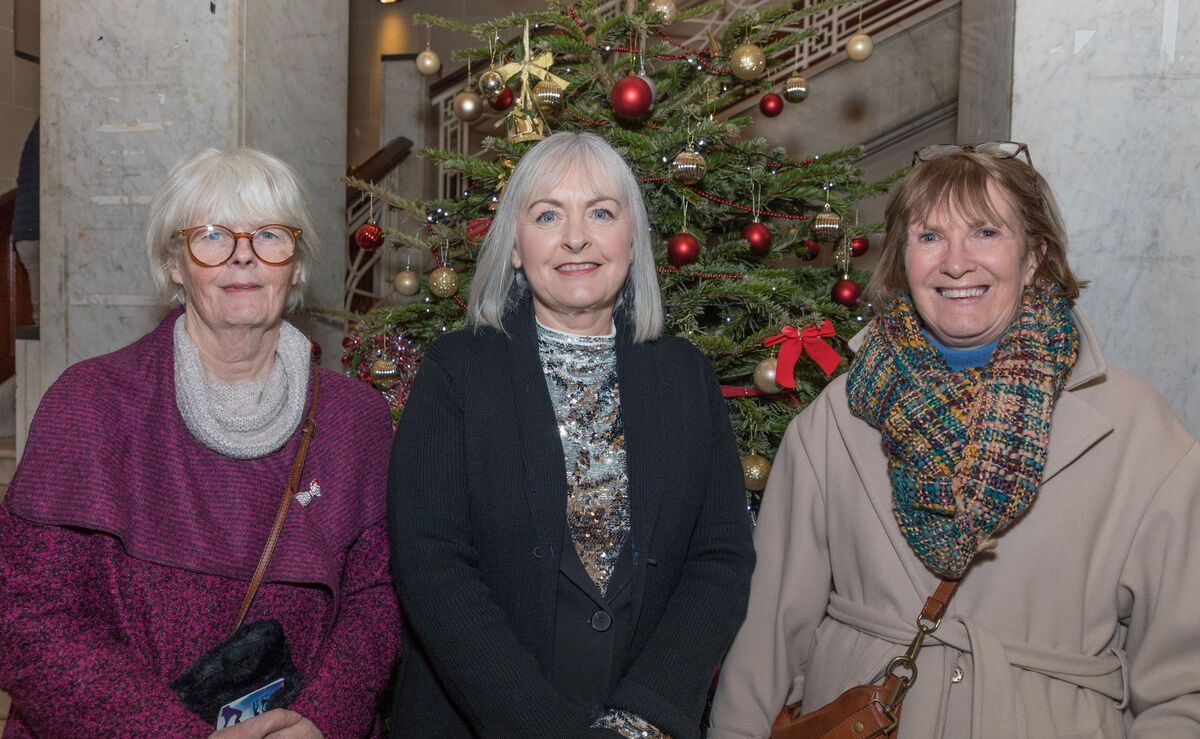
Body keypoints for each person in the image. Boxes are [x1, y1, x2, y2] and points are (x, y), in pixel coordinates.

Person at [708, 142, 1200, 737]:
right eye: (929, 236)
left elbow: (1181, 687)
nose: (956, 263)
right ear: (903, 257)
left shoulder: (1136, 428)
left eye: (986, 233)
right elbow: (767, 637)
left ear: (1036, 256)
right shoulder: (835, 418)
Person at [0, 148, 400, 737]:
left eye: (269, 235)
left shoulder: (355, 418)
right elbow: (30, 618)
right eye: (212, 236)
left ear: (296, 264)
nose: (244, 255)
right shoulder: (90, 403)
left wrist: (319, 720)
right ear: (173, 264)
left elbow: (377, 598)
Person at [387, 131, 755, 738]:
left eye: (602, 213)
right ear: (514, 247)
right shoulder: (455, 371)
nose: (576, 237)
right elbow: (431, 565)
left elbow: (720, 559)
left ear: (631, 241)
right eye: (547, 214)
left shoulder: (686, 376)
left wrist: (641, 718)